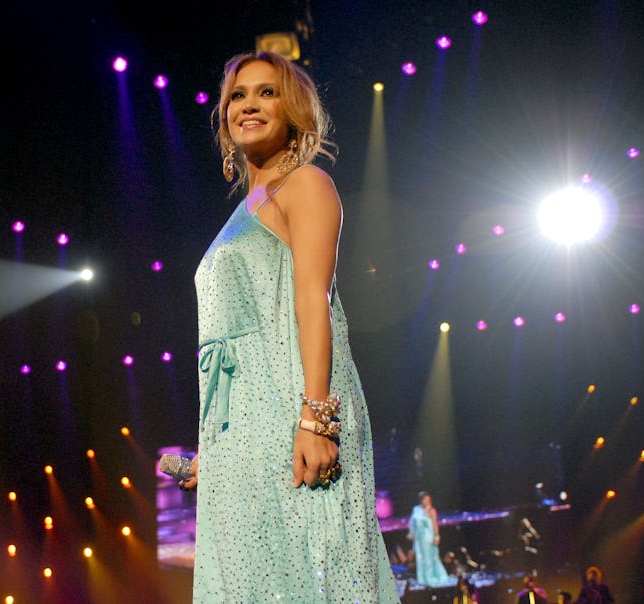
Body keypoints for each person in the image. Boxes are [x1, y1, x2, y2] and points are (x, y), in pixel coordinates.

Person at [181, 51, 401, 603]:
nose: (248, 104)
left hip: (296, 412)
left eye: (267, 92)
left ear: (295, 110)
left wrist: (317, 418)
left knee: (314, 572)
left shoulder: (305, 185)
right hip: (244, 437)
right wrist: (219, 450)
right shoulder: (243, 210)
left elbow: (312, 300)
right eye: (238, 94)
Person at [407, 491, 451, 586]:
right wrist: (411, 532)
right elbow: (412, 522)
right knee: (420, 559)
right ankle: (423, 579)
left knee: (429, 558)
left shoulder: (431, 510)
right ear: (421, 500)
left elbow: (435, 524)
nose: (427, 501)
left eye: (428, 499)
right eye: (425, 499)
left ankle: (431, 578)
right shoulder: (416, 509)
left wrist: (437, 535)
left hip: (428, 538)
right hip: (419, 539)